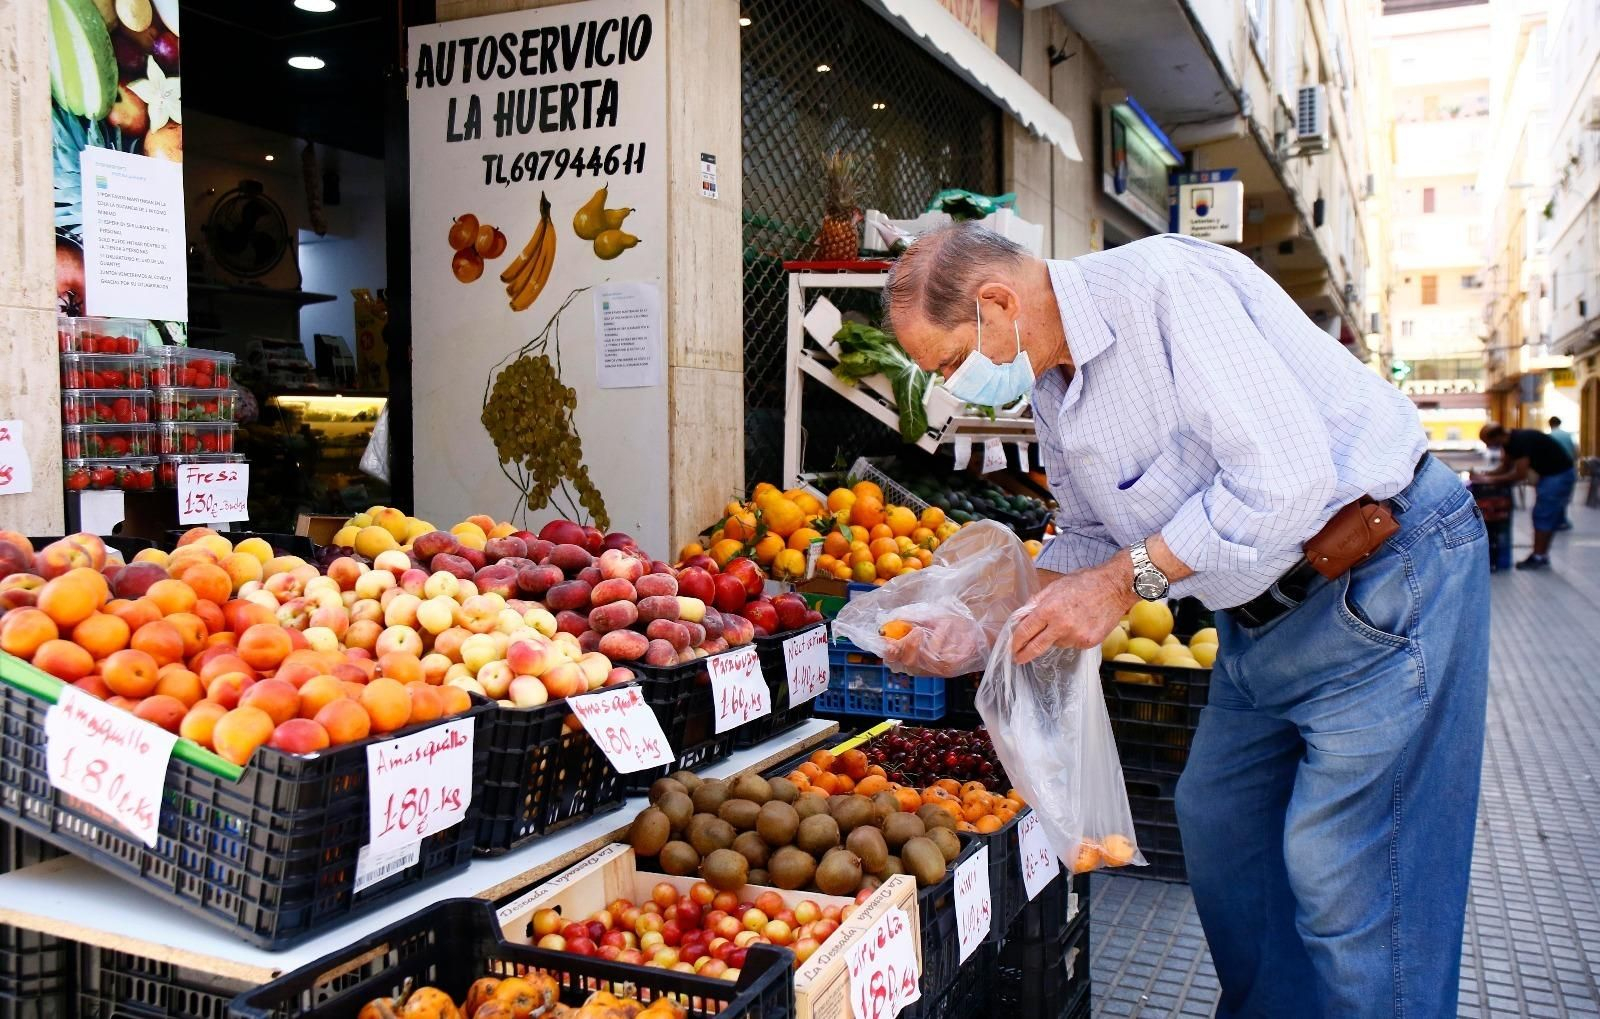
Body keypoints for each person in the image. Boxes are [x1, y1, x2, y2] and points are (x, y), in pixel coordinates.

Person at [881, 224, 1489, 1019]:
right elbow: (1091, 541)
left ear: (998, 302)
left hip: (1381, 580)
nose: (956, 387)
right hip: (1259, 619)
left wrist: (1127, 580)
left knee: (1352, 880)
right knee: (1222, 826)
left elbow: (1286, 478)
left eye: (952, 361)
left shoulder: (1166, 291)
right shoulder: (1055, 386)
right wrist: (990, 632)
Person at [1471, 422, 1576, 567]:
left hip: (1557, 475)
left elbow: (1520, 474)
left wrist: (1490, 479)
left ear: (1497, 436)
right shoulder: (1509, 441)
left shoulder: (1520, 441)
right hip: (1551, 475)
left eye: (1488, 442)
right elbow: (1505, 467)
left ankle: (1539, 556)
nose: (1488, 446)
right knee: (1545, 515)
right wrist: (1484, 475)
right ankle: (1541, 554)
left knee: (1543, 515)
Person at [1547, 417, 1578, 529]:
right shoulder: (1567, 435)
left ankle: (1557, 519)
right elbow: (1575, 451)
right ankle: (1561, 519)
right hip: (1568, 469)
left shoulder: (1550, 437)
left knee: (1554, 495)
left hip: (1554, 471)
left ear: (1550, 424)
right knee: (1564, 496)